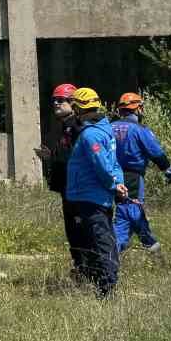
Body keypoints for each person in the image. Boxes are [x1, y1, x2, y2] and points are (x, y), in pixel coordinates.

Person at [63, 88, 129, 297]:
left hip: (89, 197)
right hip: (95, 197)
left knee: (99, 241)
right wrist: (118, 182)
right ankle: (100, 281)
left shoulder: (90, 135)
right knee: (98, 239)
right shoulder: (105, 130)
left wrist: (113, 184)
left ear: (79, 108)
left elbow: (101, 164)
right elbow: (114, 162)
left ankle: (107, 287)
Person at [111, 92, 171, 255]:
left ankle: (118, 248)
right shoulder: (139, 129)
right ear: (138, 108)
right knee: (130, 210)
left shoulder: (109, 127)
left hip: (110, 176)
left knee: (123, 210)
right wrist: (168, 171)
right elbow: (156, 153)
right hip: (132, 176)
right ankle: (149, 244)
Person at [39, 84, 83, 278]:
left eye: (61, 100)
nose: (56, 104)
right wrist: (51, 155)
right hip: (68, 188)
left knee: (79, 230)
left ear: (73, 103)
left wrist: (53, 157)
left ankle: (86, 268)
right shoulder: (66, 125)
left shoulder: (76, 125)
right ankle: (80, 267)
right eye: (54, 100)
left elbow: (74, 156)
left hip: (77, 189)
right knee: (72, 231)